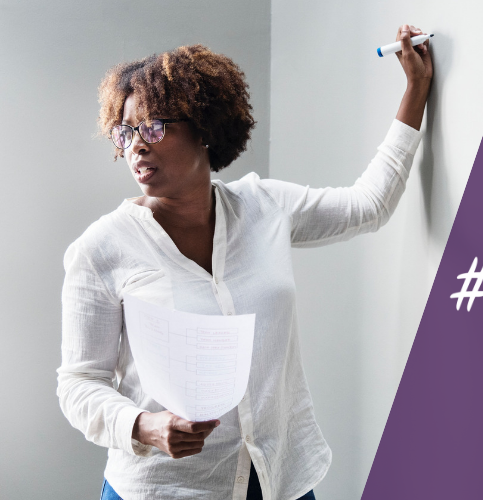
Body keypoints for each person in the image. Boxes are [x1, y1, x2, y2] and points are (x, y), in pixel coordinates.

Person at [57, 24, 432, 500]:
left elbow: (368, 206)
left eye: (153, 126)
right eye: (125, 131)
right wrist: (145, 425)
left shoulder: (265, 207)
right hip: (166, 488)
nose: (136, 144)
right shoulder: (101, 248)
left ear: (205, 128)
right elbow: (79, 383)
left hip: (279, 477)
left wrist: (415, 89)